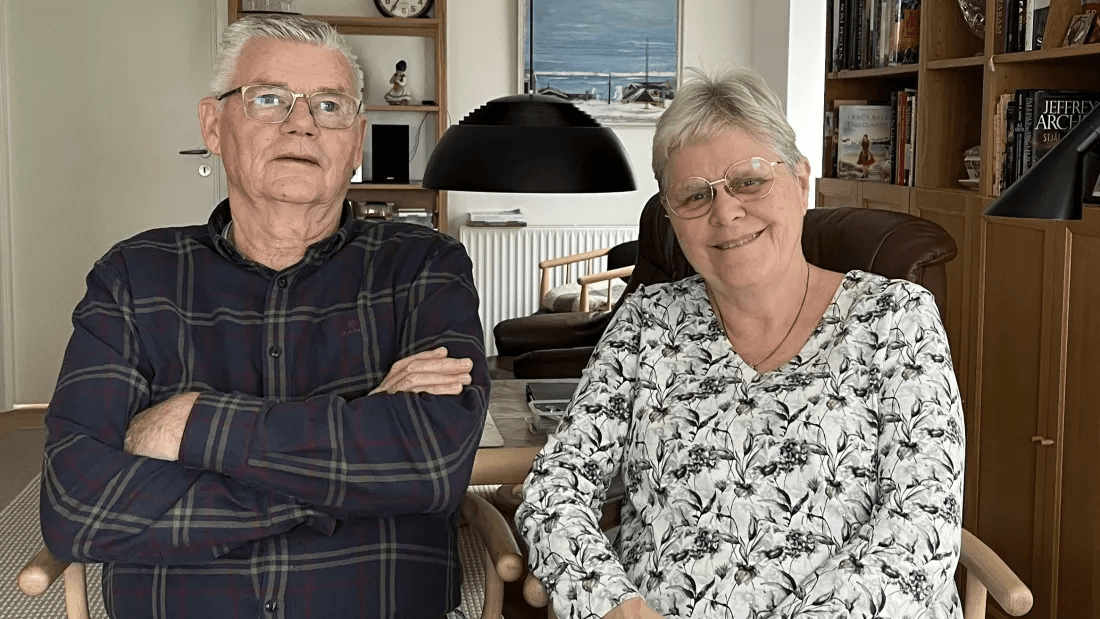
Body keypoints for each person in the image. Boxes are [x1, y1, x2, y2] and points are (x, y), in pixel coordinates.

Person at [39, 14, 488, 619]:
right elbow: (76, 504)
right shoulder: (133, 277)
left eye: (330, 106)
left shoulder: (424, 267)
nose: (302, 123)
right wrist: (354, 459)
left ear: (355, 141)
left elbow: (432, 465)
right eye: (269, 99)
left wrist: (192, 427)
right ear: (213, 125)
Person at [516, 68, 964, 619]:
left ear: (802, 182)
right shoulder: (646, 322)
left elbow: (919, 534)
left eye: (749, 181)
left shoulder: (896, 318)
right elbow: (555, 488)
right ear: (671, 218)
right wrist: (617, 607)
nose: (725, 212)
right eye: (695, 195)